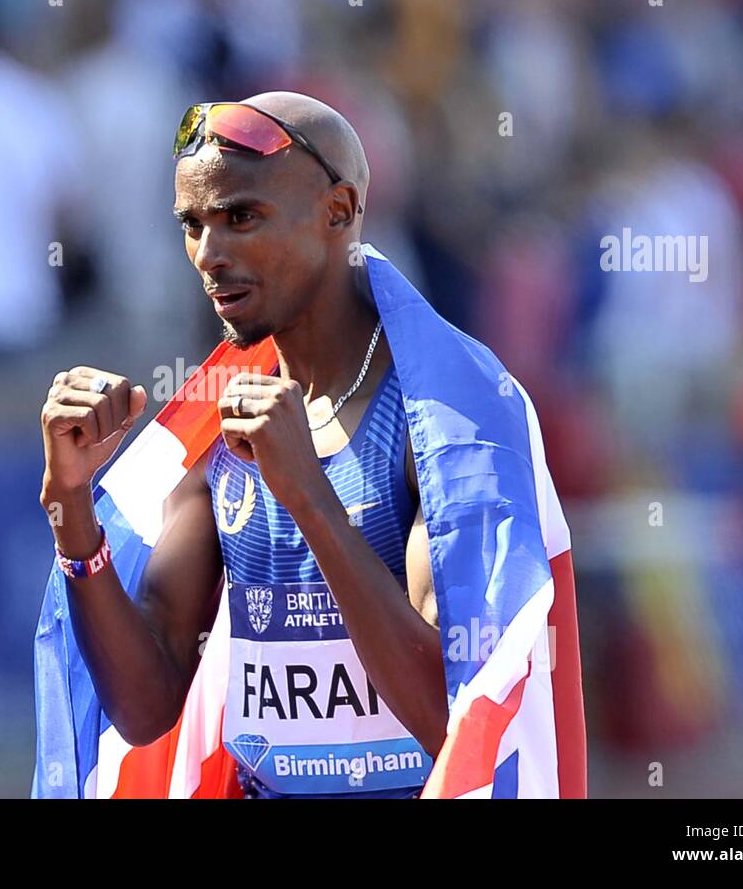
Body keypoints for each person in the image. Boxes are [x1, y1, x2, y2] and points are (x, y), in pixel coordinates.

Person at [39, 92, 450, 799]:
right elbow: (146, 706)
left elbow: (451, 718)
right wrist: (72, 507)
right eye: (192, 225)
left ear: (340, 211)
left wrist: (308, 498)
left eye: (242, 218)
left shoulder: (436, 427)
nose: (210, 254)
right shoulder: (218, 429)